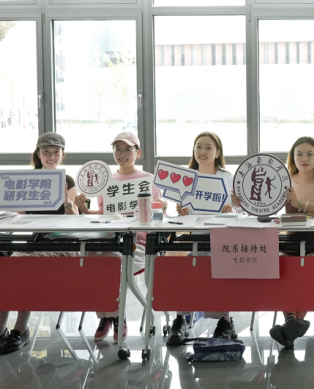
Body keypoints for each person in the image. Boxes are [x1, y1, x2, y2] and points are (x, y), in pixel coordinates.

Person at [74, 131, 164, 343]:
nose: (122, 154)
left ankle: (115, 316)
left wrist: (162, 207)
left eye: (127, 149)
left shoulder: (148, 180)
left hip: (137, 243)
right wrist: (83, 209)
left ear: (138, 153)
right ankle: (109, 316)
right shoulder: (107, 181)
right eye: (118, 149)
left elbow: (157, 213)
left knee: (110, 261)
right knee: (90, 259)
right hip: (109, 239)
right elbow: (104, 214)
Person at [0, 132, 79, 355]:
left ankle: (20, 328)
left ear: (62, 154)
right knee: (9, 267)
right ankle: (4, 330)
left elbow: (76, 219)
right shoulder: (28, 179)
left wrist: (67, 202)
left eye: (56, 152)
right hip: (34, 242)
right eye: (46, 152)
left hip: (61, 245)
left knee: (17, 266)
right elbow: (20, 215)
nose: (51, 156)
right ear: (38, 153)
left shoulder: (67, 180)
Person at [167, 132, 238, 346]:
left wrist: (232, 210)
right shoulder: (187, 177)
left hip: (221, 238)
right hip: (196, 236)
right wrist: (183, 212)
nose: (202, 151)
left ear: (217, 153)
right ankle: (181, 318)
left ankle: (224, 321)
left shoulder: (228, 178)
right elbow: (184, 215)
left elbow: (240, 211)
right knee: (185, 266)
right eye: (198, 146)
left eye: (208, 147)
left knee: (214, 264)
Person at [268, 136, 314, 349]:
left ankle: (292, 322)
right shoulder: (285, 180)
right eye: (299, 154)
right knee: (279, 261)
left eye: (309, 154)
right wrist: (241, 202)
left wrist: (300, 204)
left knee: (311, 263)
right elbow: (265, 204)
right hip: (291, 240)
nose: (304, 159)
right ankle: (293, 321)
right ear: (292, 158)